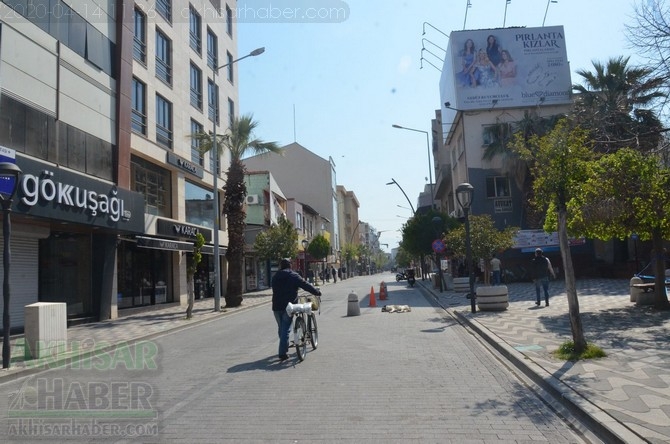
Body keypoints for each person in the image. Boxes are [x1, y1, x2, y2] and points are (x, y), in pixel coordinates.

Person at [272, 258, 321, 361]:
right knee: (286, 328)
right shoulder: (293, 275)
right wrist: (316, 292)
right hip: (288, 306)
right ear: (290, 265)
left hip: (276, 306)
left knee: (281, 328)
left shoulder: (275, 276)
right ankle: (282, 353)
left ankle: (283, 346)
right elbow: (305, 285)